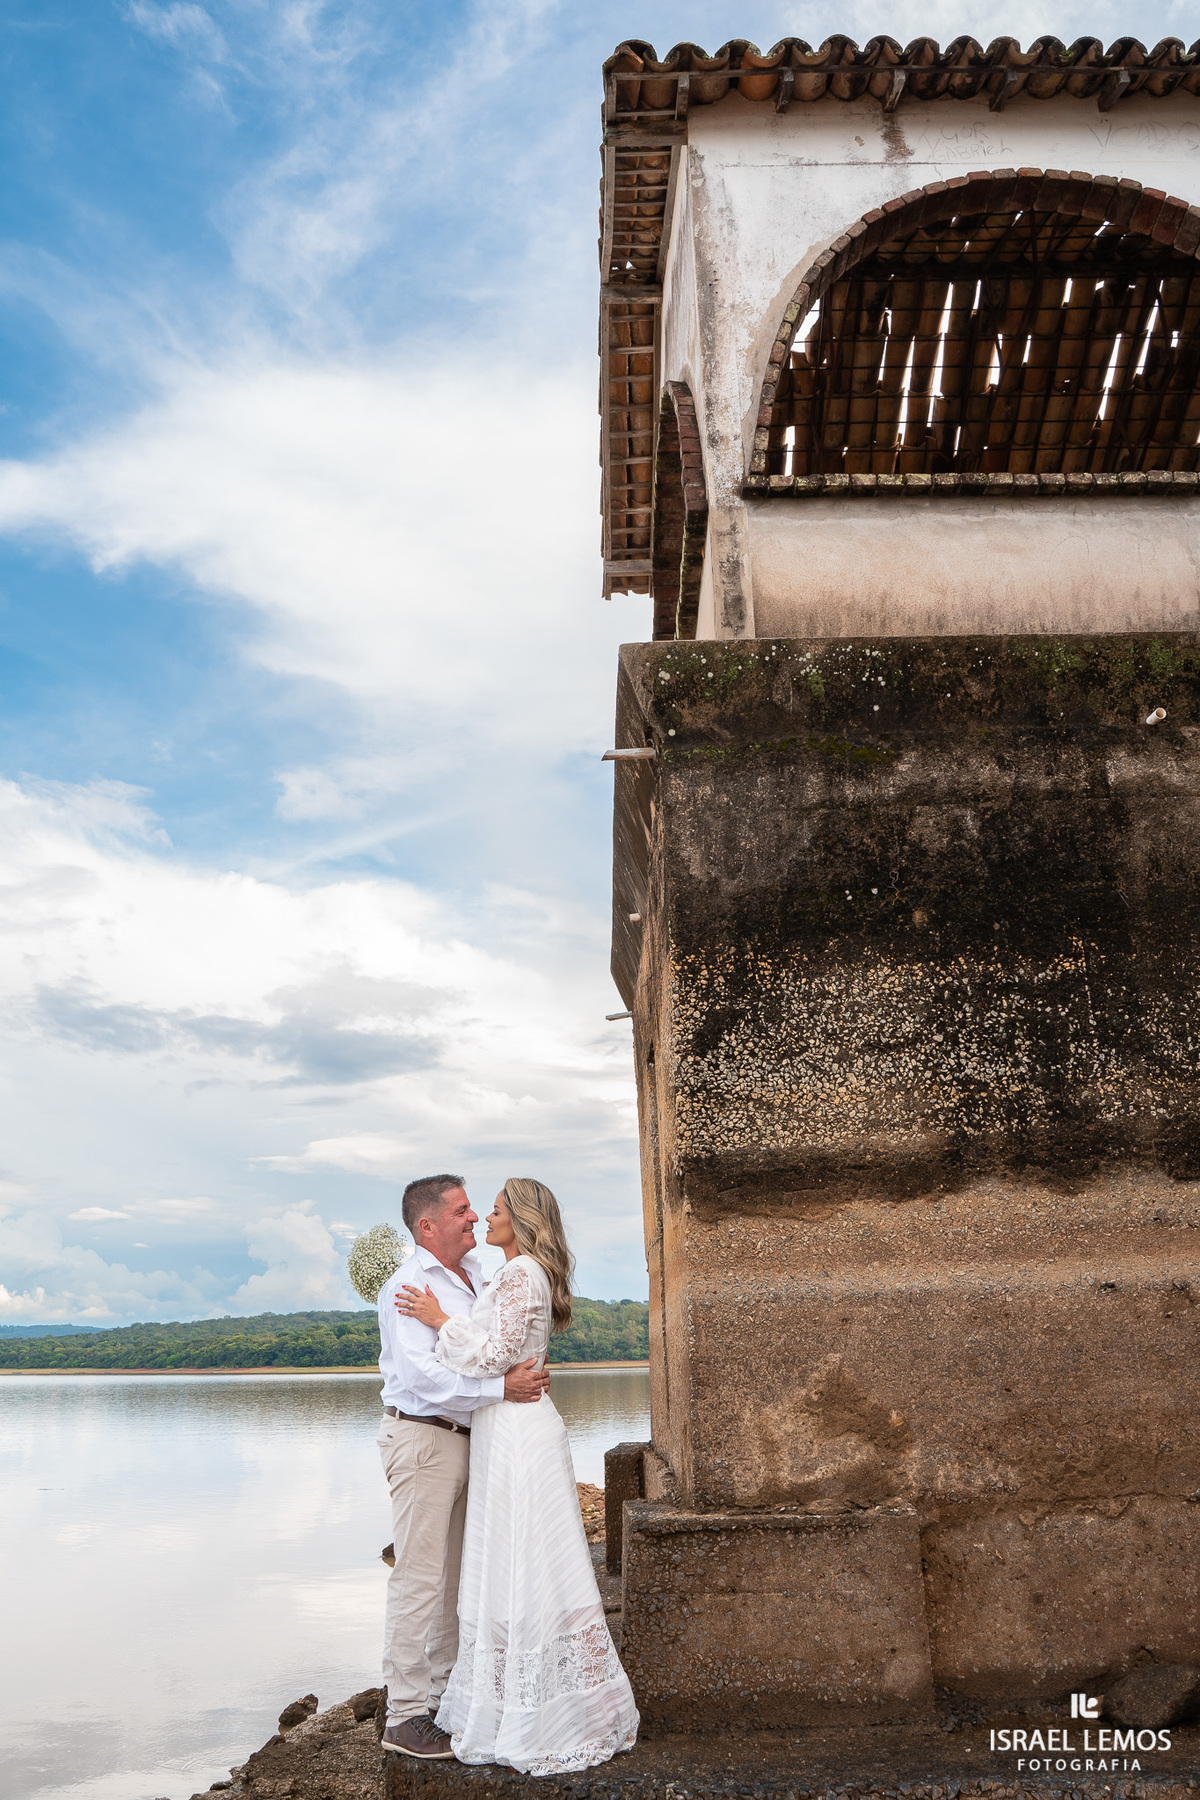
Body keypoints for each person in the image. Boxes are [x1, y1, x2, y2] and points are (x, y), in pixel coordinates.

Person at [396, 1177, 639, 1776]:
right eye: (473, 1210)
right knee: (512, 1558)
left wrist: (437, 1319)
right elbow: (496, 1349)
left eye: (495, 1209)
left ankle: (538, 1711)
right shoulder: (505, 1271)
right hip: (504, 1426)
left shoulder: (519, 1271)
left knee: (527, 1560)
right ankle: (516, 1697)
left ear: (522, 1220)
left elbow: (489, 1355)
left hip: (516, 1429)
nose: (484, 1216)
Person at [376, 1173, 550, 1760]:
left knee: (456, 1579)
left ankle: (448, 1700)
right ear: (428, 1225)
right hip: (423, 1440)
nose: (473, 1218)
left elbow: (490, 1343)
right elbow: (426, 1376)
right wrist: (503, 1388)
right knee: (419, 1579)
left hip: (472, 1440)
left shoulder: (477, 1275)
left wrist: (501, 1380)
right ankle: (402, 1716)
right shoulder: (405, 1286)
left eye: (477, 1208)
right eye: (461, 1211)